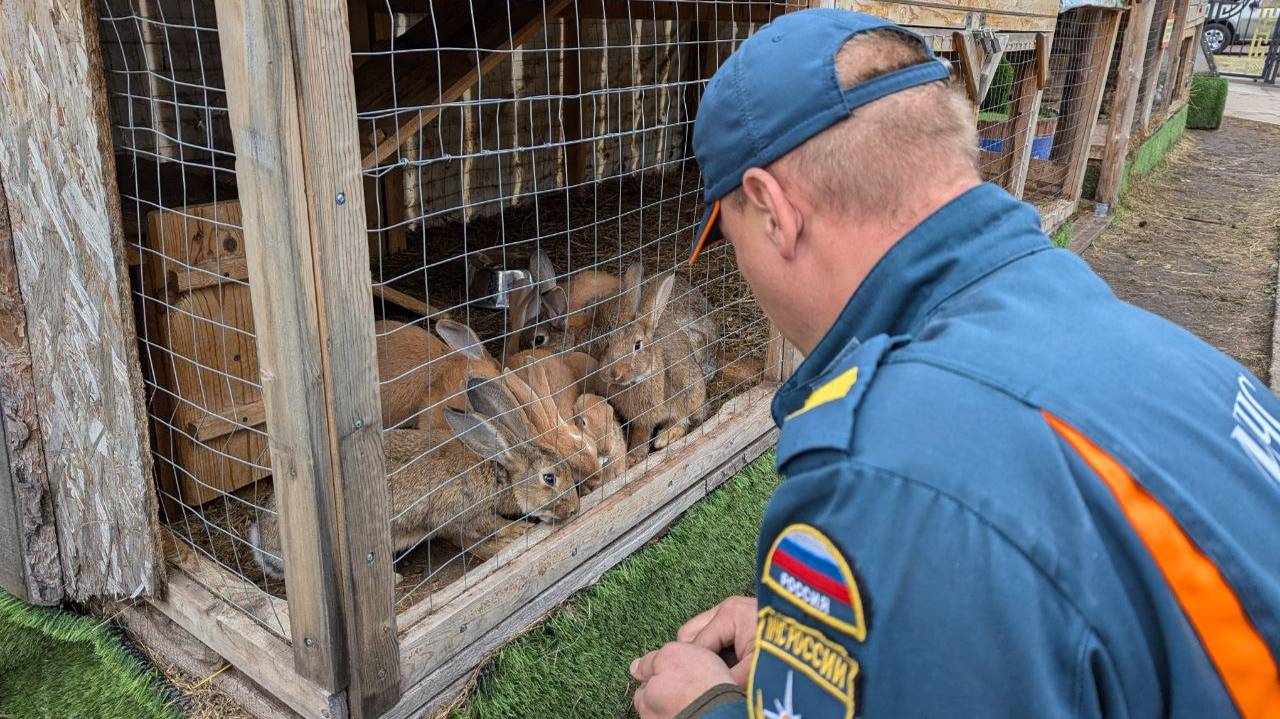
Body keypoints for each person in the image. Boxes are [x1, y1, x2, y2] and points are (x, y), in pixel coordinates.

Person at [628, 8, 1280, 719]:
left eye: (732, 241)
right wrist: (833, 641)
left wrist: (708, 706)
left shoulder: (893, 471)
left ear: (773, 211)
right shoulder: (1168, 353)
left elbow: (950, 517)